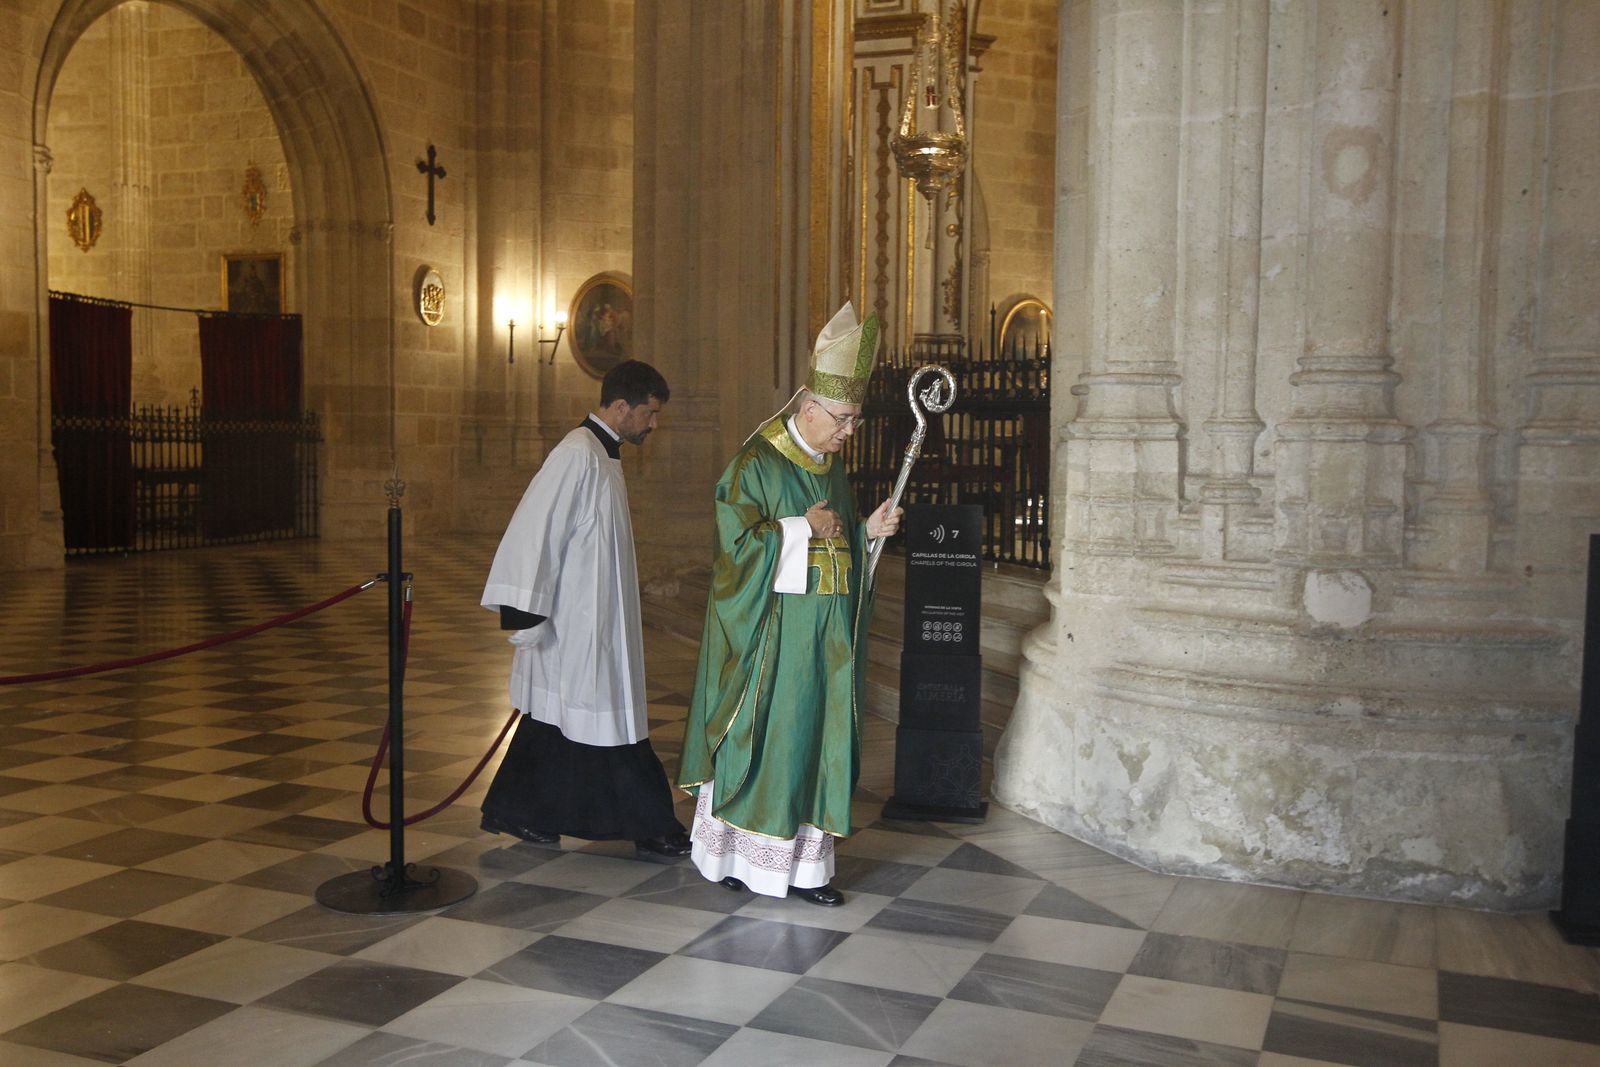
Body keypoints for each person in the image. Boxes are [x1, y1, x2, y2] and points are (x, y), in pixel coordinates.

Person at [676, 302, 903, 906]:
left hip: (825, 641)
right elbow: (735, 551)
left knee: (813, 745)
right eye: (844, 420)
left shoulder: (830, 467)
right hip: (773, 641)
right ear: (809, 408)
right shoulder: (754, 464)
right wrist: (800, 527)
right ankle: (732, 856)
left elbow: (837, 540)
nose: (850, 431)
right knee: (770, 744)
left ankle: (804, 870)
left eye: (855, 420)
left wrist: (867, 532)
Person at [479, 360, 689, 859]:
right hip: (576, 624)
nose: (654, 425)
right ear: (620, 406)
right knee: (607, 721)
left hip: (597, 618)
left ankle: (519, 810)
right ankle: (652, 825)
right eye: (649, 413)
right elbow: (536, 530)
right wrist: (525, 612)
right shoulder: (577, 453)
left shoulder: (602, 454)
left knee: (558, 722)